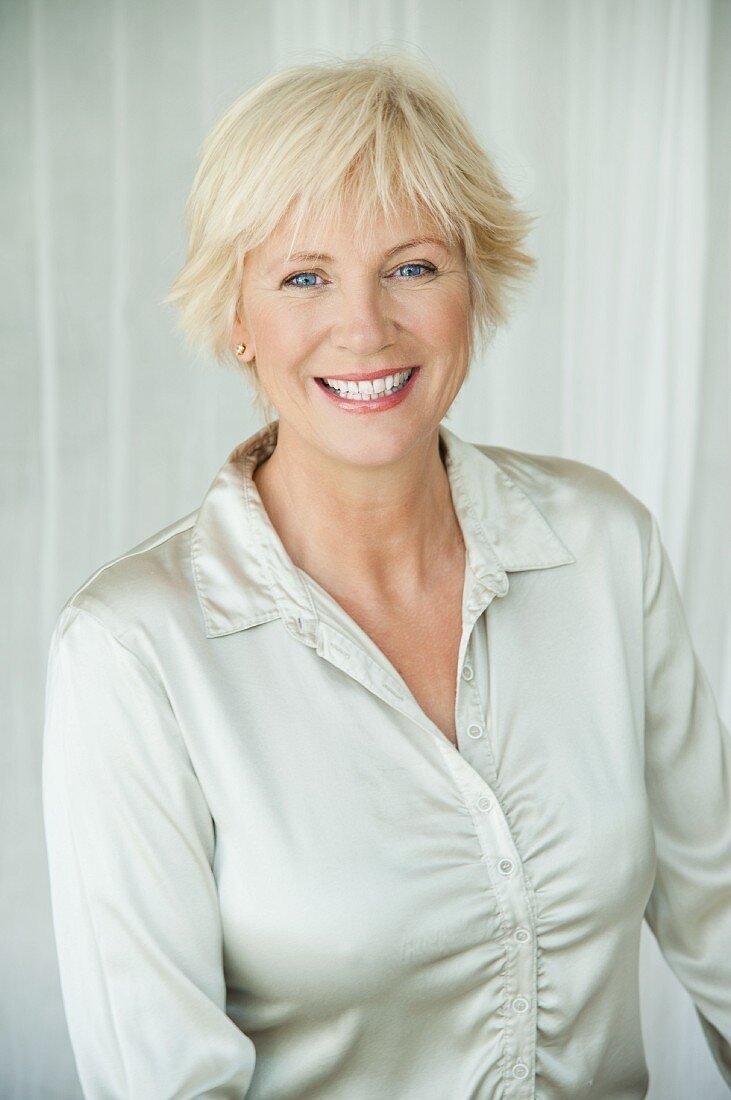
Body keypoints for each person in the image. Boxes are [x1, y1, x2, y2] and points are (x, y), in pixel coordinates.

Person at [41, 50, 731, 1100]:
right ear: (237, 316)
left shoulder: (604, 548)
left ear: (474, 285)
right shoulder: (134, 650)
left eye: (411, 266)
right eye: (302, 276)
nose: (363, 326)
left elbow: (719, 920)